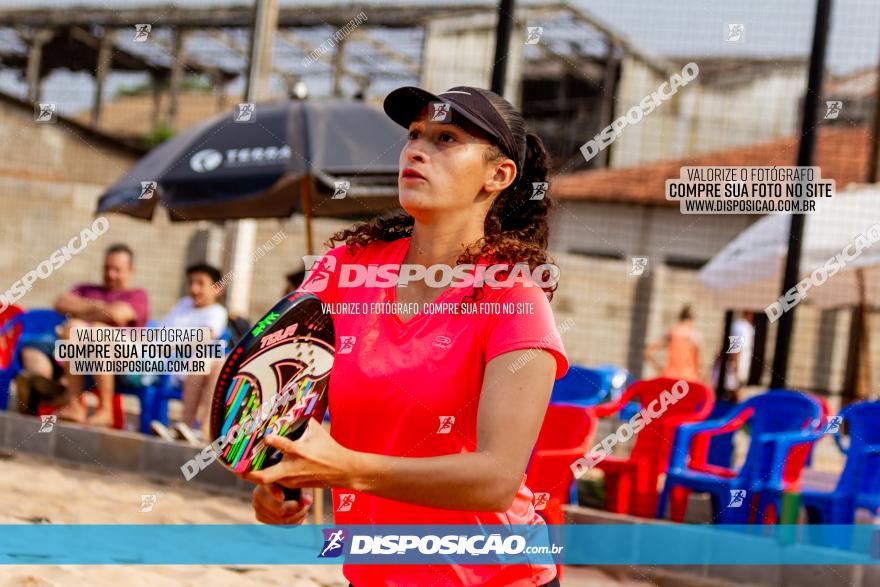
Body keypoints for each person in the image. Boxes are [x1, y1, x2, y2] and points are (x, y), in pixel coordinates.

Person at [238, 86, 568, 587]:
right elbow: (290, 402)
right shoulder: (341, 269)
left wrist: (348, 469)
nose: (416, 150)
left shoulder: (515, 298)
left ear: (497, 175)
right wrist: (280, 479)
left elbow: (497, 480)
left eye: (446, 138)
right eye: (414, 135)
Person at [21, 243, 149, 426]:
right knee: (57, 336)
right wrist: (100, 309)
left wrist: (82, 310)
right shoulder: (88, 288)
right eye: (107, 268)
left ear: (130, 271)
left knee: (95, 332)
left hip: (122, 356)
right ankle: (53, 395)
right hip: (76, 352)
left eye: (117, 270)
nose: (110, 274)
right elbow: (62, 302)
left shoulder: (137, 295)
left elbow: (118, 315)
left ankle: (105, 410)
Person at [156, 263, 228, 441]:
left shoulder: (217, 312)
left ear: (216, 289)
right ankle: (191, 427)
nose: (194, 289)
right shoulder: (183, 305)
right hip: (168, 364)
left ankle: (197, 428)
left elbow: (204, 337)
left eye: (200, 283)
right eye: (191, 283)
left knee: (212, 362)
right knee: (208, 361)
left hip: (193, 365)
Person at [643, 304, 705, 383]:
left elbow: (648, 352)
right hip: (688, 381)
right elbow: (700, 365)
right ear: (692, 319)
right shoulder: (696, 335)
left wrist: (660, 369)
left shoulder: (671, 333)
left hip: (669, 378)